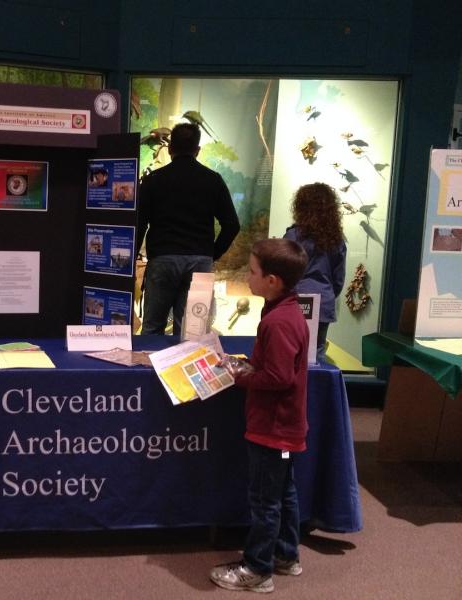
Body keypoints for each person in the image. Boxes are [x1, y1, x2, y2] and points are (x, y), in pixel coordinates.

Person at [210, 238, 310, 594]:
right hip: (284, 434)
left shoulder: (278, 321)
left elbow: (280, 377)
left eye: (252, 272)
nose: (247, 277)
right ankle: (285, 555)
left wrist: (240, 376)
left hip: (273, 432)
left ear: (273, 280)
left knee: (265, 500)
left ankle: (257, 569)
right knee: (282, 492)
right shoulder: (284, 311)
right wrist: (251, 365)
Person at [135, 122, 240, 336]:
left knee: (152, 328)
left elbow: (139, 224)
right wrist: (212, 254)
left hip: (162, 260)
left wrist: (130, 263)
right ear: (197, 150)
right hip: (199, 262)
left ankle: (149, 368)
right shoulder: (213, 180)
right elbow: (232, 225)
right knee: (192, 333)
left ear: (170, 148)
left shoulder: (153, 180)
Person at [283, 182, 346, 362]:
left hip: (294, 299)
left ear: (300, 207)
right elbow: (338, 279)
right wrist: (326, 294)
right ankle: (317, 389)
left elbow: (283, 271)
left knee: (290, 351)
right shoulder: (336, 239)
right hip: (322, 301)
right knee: (316, 352)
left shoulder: (293, 236)